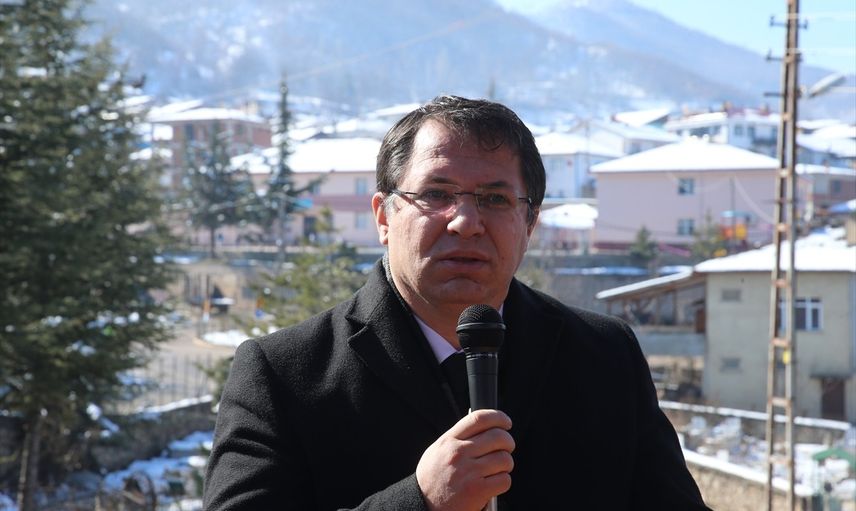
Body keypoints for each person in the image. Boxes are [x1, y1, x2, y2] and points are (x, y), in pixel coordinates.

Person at [203, 96, 709, 510]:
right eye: (437, 194)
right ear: (384, 217)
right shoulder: (283, 373)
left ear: (530, 223)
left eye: (494, 199)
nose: (465, 222)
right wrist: (420, 501)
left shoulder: (604, 355)